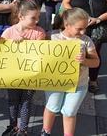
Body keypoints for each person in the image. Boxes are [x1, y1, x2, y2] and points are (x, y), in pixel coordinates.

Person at [42, 8, 99, 136]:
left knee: (69, 112)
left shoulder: (86, 41)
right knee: (52, 107)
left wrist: (84, 61)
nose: (83, 31)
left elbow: (96, 62)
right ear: (67, 25)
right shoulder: (52, 36)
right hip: (55, 82)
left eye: (85, 28)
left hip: (79, 84)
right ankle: (45, 132)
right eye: (79, 29)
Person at [0, 0, 46, 136]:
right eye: (33, 18)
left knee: (26, 102)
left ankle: (23, 129)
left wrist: (26, 44)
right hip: (13, 73)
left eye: (38, 18)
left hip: (30, 75)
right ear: (21, 17)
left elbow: (39, 51)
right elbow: (0, 50)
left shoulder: (39, 33)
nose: (37, 21)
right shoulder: (9, 32)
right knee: (13, 101)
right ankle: (12, 126)